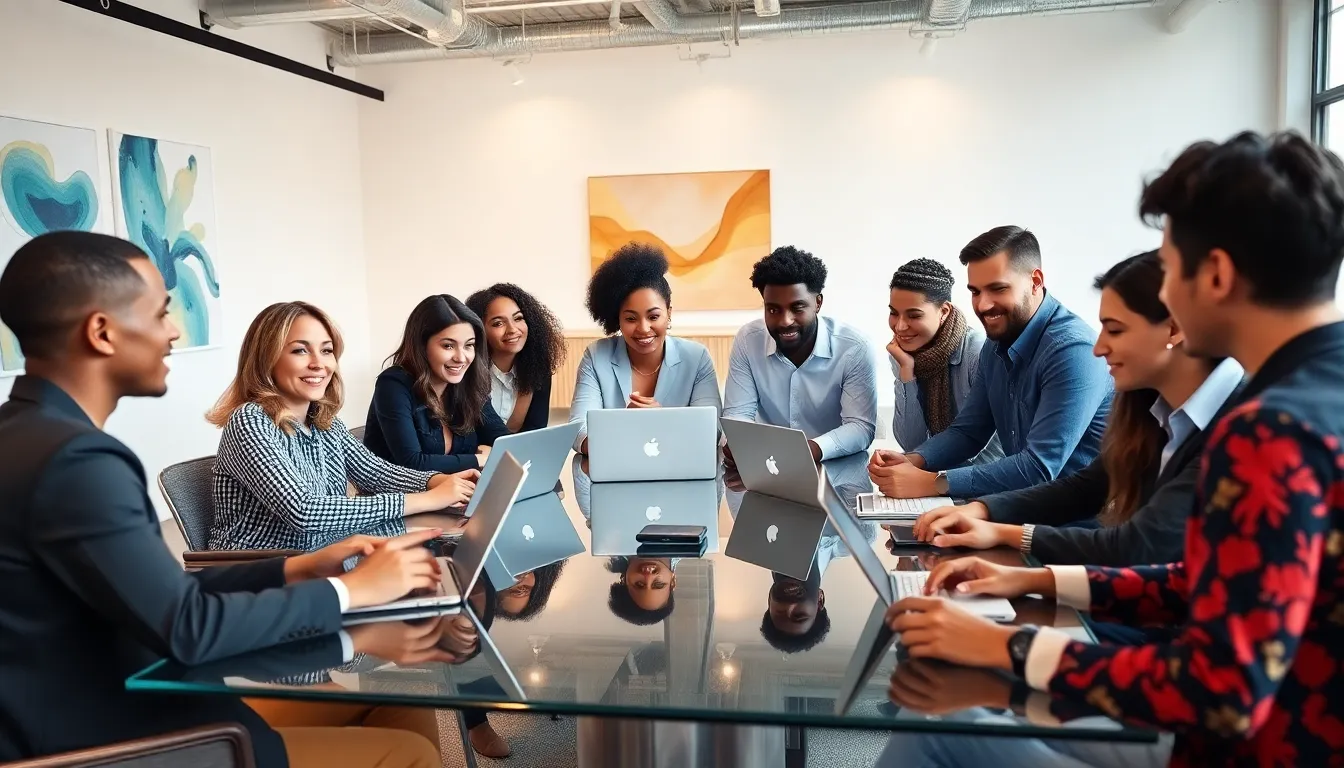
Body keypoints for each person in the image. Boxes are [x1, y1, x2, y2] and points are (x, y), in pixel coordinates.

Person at [880, 130, 1344, 766]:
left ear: (1216, 275)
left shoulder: (1269, 430)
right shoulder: (1317, 393)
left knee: (933, 723)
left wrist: (1008, 648)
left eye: (1170, 267)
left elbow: (1223, 690)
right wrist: (1028, 576)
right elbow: (1201, 587)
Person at [0, 231, 453, 767]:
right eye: (160, 313)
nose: (173, 332)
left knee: (399, 711)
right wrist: (347, 591)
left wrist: (297, 569)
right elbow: (188, 627)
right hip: (126, 733)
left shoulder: (30, 435)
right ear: (102, 332)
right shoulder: (78, 461)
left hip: (138, 695)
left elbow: (162, 594)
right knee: (408, 753)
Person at [909, 251, 1244, 567]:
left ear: (1173, 328)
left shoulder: (1244, 425)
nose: (1098, 348)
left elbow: (1140, 545)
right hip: (1119, 580)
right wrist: (983, 510)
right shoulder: (1152, 408)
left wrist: (1003, 533)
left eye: (1114, 330)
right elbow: (1088, 486)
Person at [207, 302, 477, 551]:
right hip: (258, 573)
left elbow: (376, 473)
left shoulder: (325, 422)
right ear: (267, 359)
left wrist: (434, 481)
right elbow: (305, 511)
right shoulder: (249, 420)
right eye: (300, 350)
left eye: (326, 350)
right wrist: (428, 499)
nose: (319, 363)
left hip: (326, 557)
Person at [868, 226, 1112, 499]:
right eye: (975, 292)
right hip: (1024, 507)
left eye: (998, 289)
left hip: (1081, 524)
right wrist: (913, 461)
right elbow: (969, 432)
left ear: (1036, 281)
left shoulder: (1073, 351)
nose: (983, 305)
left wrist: (932, 483)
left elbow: (1038, 467)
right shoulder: (996, 344)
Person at [722, 246, 878, 486]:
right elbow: (738, 415)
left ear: (817, 303)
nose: (785, 320)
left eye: (797, 308)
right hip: (767, 476)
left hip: (838, 479)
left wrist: (807, 450)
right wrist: (738, 443)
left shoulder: (854, 347)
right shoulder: (748, 339)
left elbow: (860, 427)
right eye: (773, 309)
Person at [569, 242, 721, 455]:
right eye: (631, 318)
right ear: (617, 319)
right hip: (616, 476)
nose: (643, 328)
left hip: (681, 475)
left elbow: (711, 431)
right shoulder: (596, 357)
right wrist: (626, 423)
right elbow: (578, 433)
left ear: (669, 313)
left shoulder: (696, 358)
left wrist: (662, 421)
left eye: (653, 316)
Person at [365, 295, 509, 474]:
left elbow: (505, 442)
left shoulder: (468, 383)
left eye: (469, 345)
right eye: (448, 346)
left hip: (459, 493)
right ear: (422, 346)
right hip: (402, 498)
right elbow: (411, 463)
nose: (461, 358)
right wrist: (479, 459)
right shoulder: (392, 384)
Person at [886, 258, 1003, 462]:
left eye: (914, 315)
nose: (900, 327)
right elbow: (912, 443)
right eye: (894, 313)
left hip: (980, 481)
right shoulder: (902, 354)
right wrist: (906, 372)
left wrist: (942, 482)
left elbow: (999, 449)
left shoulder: (978, 352)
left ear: (944, 311)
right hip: (938, 476)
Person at [465, 283, 566, 434]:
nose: (512, 330)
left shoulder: (538, 367)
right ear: (479, 329)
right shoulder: (465, 370)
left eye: (518, 318)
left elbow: (536, 431)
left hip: (519, 456)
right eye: (498, 323)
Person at [606, 557, 677, 625]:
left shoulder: (611, 546)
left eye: (639, 584)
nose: (649, 576)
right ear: (673, 582)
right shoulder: (687, 547)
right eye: (658, 584)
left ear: (624, 579)